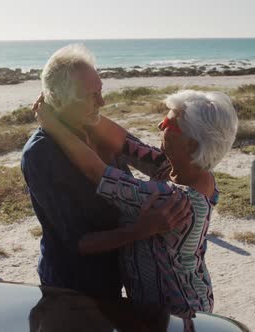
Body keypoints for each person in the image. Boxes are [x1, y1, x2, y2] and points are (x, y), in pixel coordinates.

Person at [33, 88, 238, 322]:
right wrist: (77, 107)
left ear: (190, 145)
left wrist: (53, 125)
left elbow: (97, 172)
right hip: (170, 304)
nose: (159, 127)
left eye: (168, 124)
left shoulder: (174, 199)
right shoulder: (188, 171)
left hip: (178, 315)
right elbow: (125, 142)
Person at [21, 44, 187, 299]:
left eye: (101, 90)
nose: (102, 102)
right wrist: (141, 230)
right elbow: (76, 242)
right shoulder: (41, 154)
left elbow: (159, 163)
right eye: (90, 95)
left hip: (115, 275)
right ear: (58, 98)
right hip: (73, 289)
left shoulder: (96, 128)